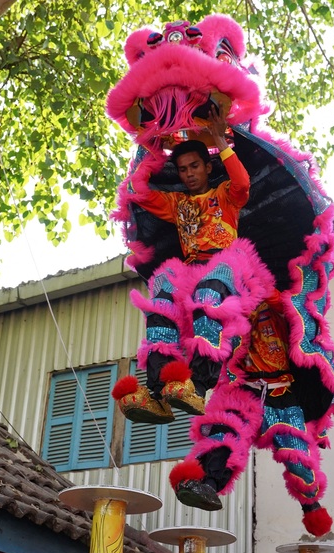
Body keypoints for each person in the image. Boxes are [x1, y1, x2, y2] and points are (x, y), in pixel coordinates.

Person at [112, 104, 273, 422]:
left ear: (206, 166)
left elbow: (242, 184)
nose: (188, 173)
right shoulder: (177, 203)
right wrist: (152, 149)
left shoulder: (225, 195)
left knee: (208, 291)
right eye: (183, 168)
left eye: (194, 166)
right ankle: (158, 392)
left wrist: (222, 143)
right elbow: (139, 192)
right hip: (192, 270)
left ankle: (197, 386)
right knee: (163, 295)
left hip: (227, 270)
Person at [168, 297, 334, 537]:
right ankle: (206, 484)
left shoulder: (288, 304)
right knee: (225, 433)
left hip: (284, 395)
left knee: (299, 460)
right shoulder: (234, 300)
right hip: (245, 390)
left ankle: (311, 506)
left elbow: (305, 321)